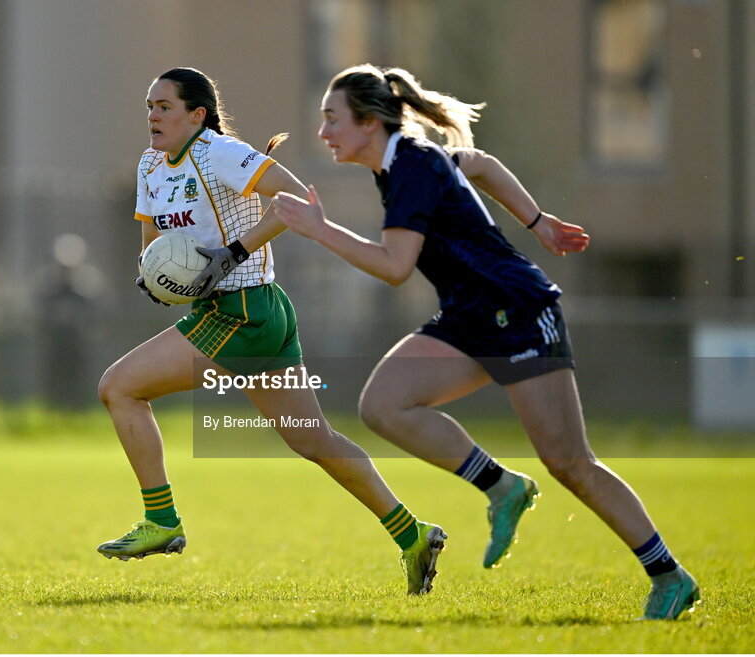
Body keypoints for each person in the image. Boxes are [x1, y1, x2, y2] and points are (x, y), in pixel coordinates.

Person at [269, 64, 699, 620]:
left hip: (519, 313)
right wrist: (538, 220)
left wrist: (319, 229)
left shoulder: (412, 168)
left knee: (569, 462)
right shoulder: (405, 159)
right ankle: (501, 487)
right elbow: (481, 164)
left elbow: (396, 267)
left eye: (332, 119)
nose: (323, 132)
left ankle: (670, 576)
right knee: (384, 405)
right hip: (471, 318)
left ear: (370, 122)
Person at [96, 67, 446, 595]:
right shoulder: (150, 165)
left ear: (197, 115)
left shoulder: (218, 153)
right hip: (249, 312)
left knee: (119, 387)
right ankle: (414, 534)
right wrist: (154, 275)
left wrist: (232, 252)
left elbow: (297, 202)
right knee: (312, 439)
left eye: (164, 106)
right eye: (149, 106)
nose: (152, 115)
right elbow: (153, 245)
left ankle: (162, 521)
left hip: (243, 313)